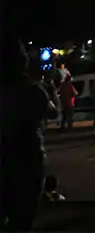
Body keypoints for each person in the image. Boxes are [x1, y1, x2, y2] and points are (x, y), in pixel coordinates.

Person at [0, 38, 58, 232]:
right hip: (27, 158)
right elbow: (53, 112)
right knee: (23, 217)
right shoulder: (33, 90)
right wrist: (50, 89)